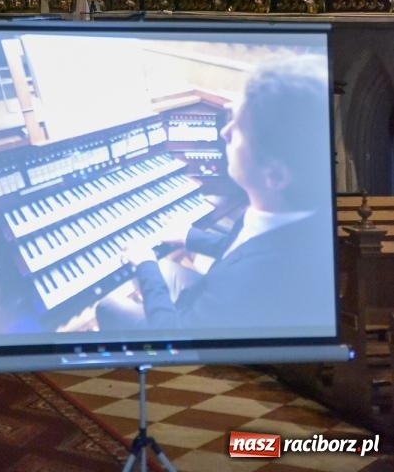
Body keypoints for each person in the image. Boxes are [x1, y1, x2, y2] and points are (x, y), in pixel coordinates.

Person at [86, 64, 334, 336]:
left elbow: (174, 334)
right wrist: (190, 237)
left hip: (195, 333)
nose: (224, 132)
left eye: (239, 128)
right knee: (165, 268)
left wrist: (144, 261)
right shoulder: (278, 211)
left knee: (109, 305)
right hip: (217, 297)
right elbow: (240, 248)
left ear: (274, 175)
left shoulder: (250, 276)